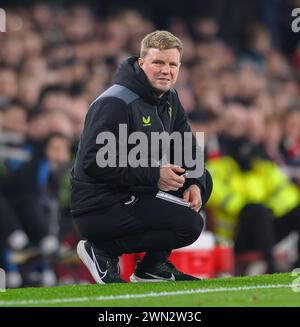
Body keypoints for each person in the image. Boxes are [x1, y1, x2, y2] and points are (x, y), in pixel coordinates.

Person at [70, 30, 212, 284]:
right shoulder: (116, 102)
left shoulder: (170, 98)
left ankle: (152, 268)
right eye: (158, 62)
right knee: (189, 225)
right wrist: (154, 175)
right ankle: (102, 250)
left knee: (202, 180)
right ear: (141, 63)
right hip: (100, 204)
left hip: (137, 190)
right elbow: (92, 162)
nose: (166, 70)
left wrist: (195, 183)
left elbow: (187, 147)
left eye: (172, 64)